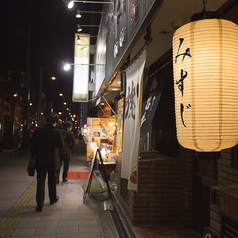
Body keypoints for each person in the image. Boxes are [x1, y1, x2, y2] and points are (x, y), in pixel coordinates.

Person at [30, 113, 64, 212]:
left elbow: (32, 144)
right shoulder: (57, 132)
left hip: (40, 159)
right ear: (56, 122)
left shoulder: (38, 130)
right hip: (52, 159)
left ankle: (39, 204)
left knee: (40, 181)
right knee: (52, 179)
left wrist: (34, 155)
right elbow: (61, 145)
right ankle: (52, 198)